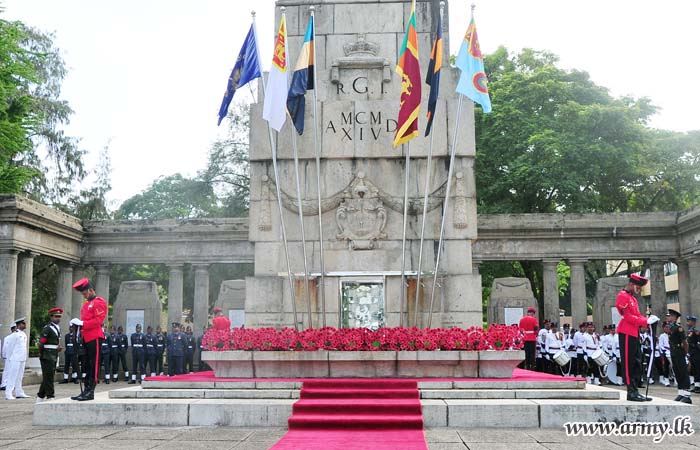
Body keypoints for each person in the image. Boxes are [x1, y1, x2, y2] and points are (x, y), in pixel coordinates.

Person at [616, 274, 658, 402]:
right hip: (627, 332)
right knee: (629, 363)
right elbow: (627, 316)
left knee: (637, 363)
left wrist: (647, 320)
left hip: (634, 332)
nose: (639, 289)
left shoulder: (633, 299)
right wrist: (645, 321)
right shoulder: (623, 296)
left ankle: (635, 390)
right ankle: (631, 392)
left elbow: (637, 315)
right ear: (631, 284)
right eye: (637, 286)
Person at [70, 278, 107, 401]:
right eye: (83, 294)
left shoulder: (99, 302)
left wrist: (82, 323)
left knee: (94, 364)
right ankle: (86, 390)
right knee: (86, 364)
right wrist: (77, 327)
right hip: (86, 337)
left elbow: (98, 320)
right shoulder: (86, 305)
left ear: (91, 290)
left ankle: (91, 391)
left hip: (95, 337)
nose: (84, 296)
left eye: (85, 293)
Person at [37, 308, 64, 402]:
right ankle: (50, 396)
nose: (58, 318)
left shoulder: (57, 328)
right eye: (56, 316)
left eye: (59, 317)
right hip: (47, 354)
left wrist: (58, 347)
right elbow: (41, 343)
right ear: (51, 317)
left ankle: (40, 396)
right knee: (49, 376)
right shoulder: (47, 328)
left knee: (49, 376)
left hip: (54, 353)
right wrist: (41, 354)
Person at [666, 309, 691, 403]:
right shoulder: (671, 328)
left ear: (674, 317)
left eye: (670, 316)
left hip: (680, 353)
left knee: (683, 373)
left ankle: (687, 395)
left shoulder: (678, 328)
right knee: (677, 373)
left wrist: (685, 353)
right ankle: (681, 393)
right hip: (673, 353)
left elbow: (684, 342)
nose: (668, 317)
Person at [4, 318, 30, 400]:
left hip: (22, 358)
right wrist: (10, 358)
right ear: (19, 325)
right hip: (15, 358)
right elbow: (10, 348)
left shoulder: (23, 334)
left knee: (19, 376)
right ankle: (8, 393)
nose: (25, 325)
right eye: (23, 323)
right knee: (12, 376)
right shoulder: (14, 335)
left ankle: (19, 392)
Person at [519, 307, 538, 371]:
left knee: (526, 353)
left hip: (524, 338)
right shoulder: (534, 320)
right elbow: (536, 329)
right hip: (532, 338)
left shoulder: (521, 319)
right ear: (532, 313)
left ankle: (527, 366)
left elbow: (520, 330)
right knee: (532, 354)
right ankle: (532, 367)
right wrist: (535, 334)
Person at [686, 315, 700, 393]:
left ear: (693, 322)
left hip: (697, 353)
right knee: (693, 370)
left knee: (698, 370)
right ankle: (696, 386)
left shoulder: (696, 331)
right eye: (688, 321)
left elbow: (698, 342)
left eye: (690, 321)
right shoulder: (689, 331)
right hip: (691, 353)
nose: (688, 323)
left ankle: (699, 386)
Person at [1, 324, 17, 391]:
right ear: (13, 329)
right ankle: (5, 384)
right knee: (9, 370)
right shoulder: (13, 337)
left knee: (8, 370)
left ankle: (6, 384)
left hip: (10, 356)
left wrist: (4, 355)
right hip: (12, 356)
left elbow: (5, 348)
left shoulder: (8, 337)